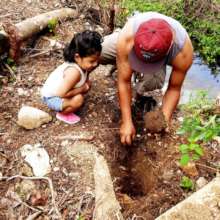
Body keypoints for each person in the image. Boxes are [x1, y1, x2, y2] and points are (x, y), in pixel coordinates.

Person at [100, 11, 194, 145]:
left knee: (153, 82)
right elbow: (124, 81)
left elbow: (174, 88)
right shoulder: (127, 37)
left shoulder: (183, 52)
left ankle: (137, 72)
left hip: (157, 54)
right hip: (129, 42)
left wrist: (163, 120)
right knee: (98, 52)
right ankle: (122, 61)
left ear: (168, 51)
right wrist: (126, 121)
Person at [41, 30, 102, 124]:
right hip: (51, 98)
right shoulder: (74, 72)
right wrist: (82, 89)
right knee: (78, 99)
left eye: (97, 60)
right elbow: (60, 94)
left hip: (61, 93)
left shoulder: (83, 65)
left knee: (84, 89)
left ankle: (68, 104)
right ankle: (62, 114)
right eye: (92, 61)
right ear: (77, 57)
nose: (96, 64)